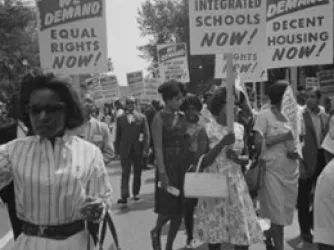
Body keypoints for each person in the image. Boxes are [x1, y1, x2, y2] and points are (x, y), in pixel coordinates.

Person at [0, 72, 113, 249]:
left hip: (75, 243)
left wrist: (98, 208)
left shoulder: (90, 153)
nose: (43, 117)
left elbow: (103, 198)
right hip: (31, 244)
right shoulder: (13, 151)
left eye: (52, 109)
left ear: (68, 110)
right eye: (35, 110)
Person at [194, 87, 262, 250]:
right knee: (215, 234)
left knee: (241, 236)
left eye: (236, 104)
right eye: (230, 103)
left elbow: (247, 157)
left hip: (236, 186)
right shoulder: (206, 130)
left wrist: (238, 159)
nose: (235, 107)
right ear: (219, 105)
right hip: (213, 185)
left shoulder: (240, 128)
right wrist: (221, 144)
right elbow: (201, 163)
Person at [253, 80, 299, 250]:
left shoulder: (296, 116)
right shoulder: (264, 116)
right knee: (278, 215)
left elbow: (300, 141)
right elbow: (258, 142)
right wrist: (282, 137)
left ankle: (268, 235)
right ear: (282, 97)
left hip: (291, 172)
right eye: (290, 94)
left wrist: (296, 151)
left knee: (283, 215)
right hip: (271, 171)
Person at [150, 81, 190, 250]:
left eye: (181, 98)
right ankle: (156, 230)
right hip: (167, 168)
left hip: (182, 168)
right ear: (167, 100)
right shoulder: (158, 118)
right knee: (167, 209)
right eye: (177, 99)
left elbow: (188, 140)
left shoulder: (182, 117)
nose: (180, 102)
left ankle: (169, 246)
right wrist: (162, 173)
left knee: (180, 211)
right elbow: (158, 147)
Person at [298, 87, 328, 243]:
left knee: (320, 195)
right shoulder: (299, 115)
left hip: (322, 159)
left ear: (318, 99)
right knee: (303, 197)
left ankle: (312, 221)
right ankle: (304, 230)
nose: (309, 99)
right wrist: (300, 164)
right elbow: (297, 141)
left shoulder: (323, 115)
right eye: (307, 96)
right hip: (305, 160)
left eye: (312, 96)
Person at [179, 94, 206, 249]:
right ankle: (190, 237)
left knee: (203, 204)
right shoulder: (180, 124)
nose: (191, 112)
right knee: (188, 205)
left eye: (194, 109)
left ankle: (205, 233)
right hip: (186, 169)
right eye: (188, 109)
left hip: (204, 167)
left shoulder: (205, 123)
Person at [115, 96, 150, 205]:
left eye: (132, 103)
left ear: (135, 104)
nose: (130, 105)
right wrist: (116, 151)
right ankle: (124, 195)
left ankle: (136, 193)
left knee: (137, 172)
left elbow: (146, 135)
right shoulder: (120, 119)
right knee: (125, 172)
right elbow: (118, 135)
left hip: (137, 149)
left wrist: (145, 149)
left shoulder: (142, 117)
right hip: (125, 149)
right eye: (128, 103)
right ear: (125, 104)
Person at [71, 93, 114, 165]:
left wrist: (94, 164)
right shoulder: (70, 128)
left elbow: (109, 154)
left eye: (90, 101)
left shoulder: (102, 128)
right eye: (85, 101)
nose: (87, 104)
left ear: (93, 105)